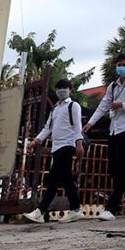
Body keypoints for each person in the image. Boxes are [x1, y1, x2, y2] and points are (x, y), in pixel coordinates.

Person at [83, 53, 125, 221]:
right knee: (114, 170)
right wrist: (90, 123)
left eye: (124, 64)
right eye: (119, 64)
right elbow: (103, 105)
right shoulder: (113, 86)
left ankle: (111, 209)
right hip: (114, 129)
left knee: (120, 169)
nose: (121, 67)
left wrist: (123, 105)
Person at [23, 79, 85, 224]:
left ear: (70, 89)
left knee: (53, 177)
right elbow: (47, 129)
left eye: (64, 88)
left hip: (68, 145)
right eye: (58, 88)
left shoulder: (73, 106)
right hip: (56, 147)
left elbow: (77, 126)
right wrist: (35, 141)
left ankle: (40, 211)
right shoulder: (55, 109)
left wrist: (79, 144)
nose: (61, 91)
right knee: (66, 179)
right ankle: (76, 209)